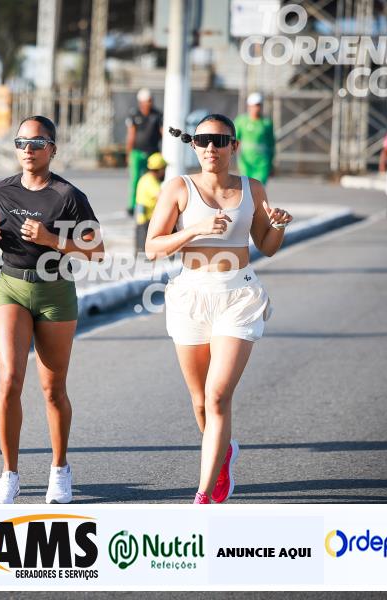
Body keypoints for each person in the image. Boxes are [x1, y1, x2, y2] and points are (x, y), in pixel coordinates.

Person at [146, 115, 293, 504]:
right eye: (204, 140)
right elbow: (152, 247)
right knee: (200, 402)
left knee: (216, 397)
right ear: (194, 145)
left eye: (220, 140)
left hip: (238, 296)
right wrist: (196, 229)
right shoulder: (179, 188)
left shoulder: (252, 188)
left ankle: (203, 496)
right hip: (191, 296)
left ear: (234, 146)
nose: (211, 147)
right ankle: (224, 453)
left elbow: (267, 245)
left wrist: (278, 226)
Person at [0, 115, 105, 504]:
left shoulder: (68, 196)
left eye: (37, 143)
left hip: (55, 292)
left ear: (52, 149)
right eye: (21, 143)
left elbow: (97, 251)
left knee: (53, 389)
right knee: (9, 380)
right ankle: (9, 475)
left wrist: (52, 239)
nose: (28, 150)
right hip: (12, 288)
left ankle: (60, 469)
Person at [126, 88, 163, 216]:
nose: (150, 103)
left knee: (153, 179)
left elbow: (162, 133)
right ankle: (133, 205)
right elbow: (131, 135)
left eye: (151, 100)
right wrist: (129, 153)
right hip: (137, 152)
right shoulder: (134, 115)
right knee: (135, 179)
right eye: (147, 101)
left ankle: (153, 205)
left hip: (152, 153)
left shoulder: (157, 115)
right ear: (141, 102)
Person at [234, 92, 275, 185]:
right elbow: (235, 139)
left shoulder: (267, 123)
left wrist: (271, 163)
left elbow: (271, 144)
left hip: (262, 163)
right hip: (246, 162)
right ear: (249, 106)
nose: (256, 108)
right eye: (254, 105)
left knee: (258, 187)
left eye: (259, 105)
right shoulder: (241, 121)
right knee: (246, 187)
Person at [135, 152, 167, 253]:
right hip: (147, 223)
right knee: (144, 253)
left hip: (144, 221)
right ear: (160, 169)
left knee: (142, 253)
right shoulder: (150, 181)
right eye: (164, 169)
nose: (165, 172)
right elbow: (163, 198)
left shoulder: (146, 178)